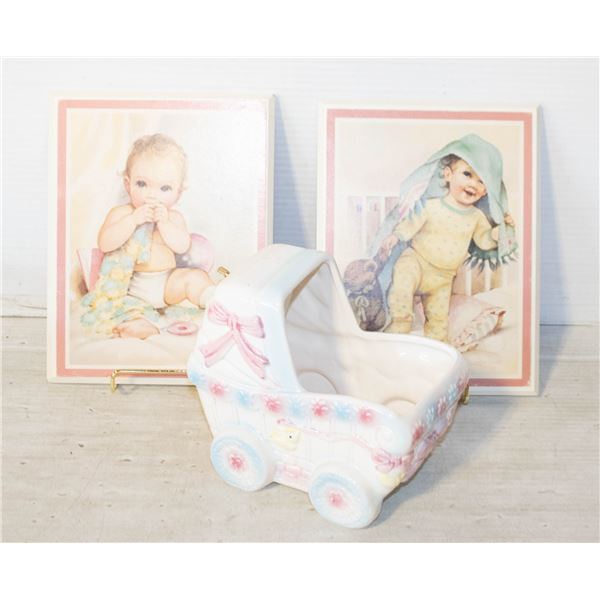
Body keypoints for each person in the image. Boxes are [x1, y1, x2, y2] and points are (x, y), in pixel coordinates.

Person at [374, 134, 517, 343]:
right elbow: (411, 223)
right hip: (416, 261)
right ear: (448, 174)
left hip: (443, 278)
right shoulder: (432, 206)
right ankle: (399, 327)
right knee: (401, 290)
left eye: (481, 181)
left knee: (439, 322)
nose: (474, 184)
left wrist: (498, 233)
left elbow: (484, 241)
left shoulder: (477, 217)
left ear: (486, 191)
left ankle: (437, 349)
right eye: (467, 174)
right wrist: (395, 236)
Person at [81, 134, 214, 339]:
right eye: (142, 184)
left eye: (165, 188)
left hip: (167, 284)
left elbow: (182, 246)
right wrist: (132, 220)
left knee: (195, 278)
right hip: (131, 290)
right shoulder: (122, 213)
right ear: (128, 184)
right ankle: (142, 326)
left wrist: (164, 223)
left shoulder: (173, 218)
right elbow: (105, 244)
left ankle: (216, 303)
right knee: (126, 314)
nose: (152, 195)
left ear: (178, 193)